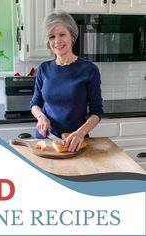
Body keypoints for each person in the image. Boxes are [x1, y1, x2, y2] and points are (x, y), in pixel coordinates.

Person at [30, 10, 103, 152]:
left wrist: (81, 132)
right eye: (52, 37)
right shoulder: (44, 69)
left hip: (76, 141)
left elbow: (97, 112)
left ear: (72, 36)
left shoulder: (89, 70)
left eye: (62, 34)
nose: (57, 41)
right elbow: (35, 103)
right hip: (46, 140)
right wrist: (41, 117)